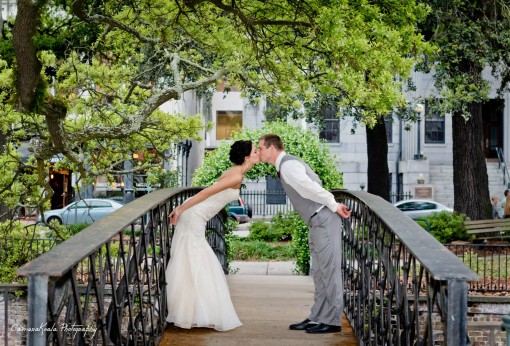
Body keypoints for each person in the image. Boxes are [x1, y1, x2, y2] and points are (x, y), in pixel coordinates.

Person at [257, 134, 351, 334]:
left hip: (323, 219)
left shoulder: (288, 165)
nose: (259, 152)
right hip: (316, 221)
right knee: (319, 272)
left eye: (261, 148)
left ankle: (333, 321)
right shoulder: (285, 166)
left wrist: (334, 205)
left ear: (272, 148)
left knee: (330, 270)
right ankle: (317, 317)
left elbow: (310, 188)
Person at [165, 140, 259, 331]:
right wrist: (180, 209)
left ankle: (194, 311)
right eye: (255, 150)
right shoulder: (236, 176)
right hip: (193, 216)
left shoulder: (236, 172)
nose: (258, 152)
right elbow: (206, 193)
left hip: (197, 215)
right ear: (247, 156)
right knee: (193, 260)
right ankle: (190, 312)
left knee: (195, 260)